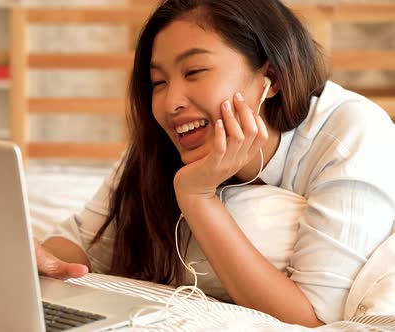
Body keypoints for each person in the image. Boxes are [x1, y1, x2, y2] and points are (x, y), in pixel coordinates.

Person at [34, 0, 395, 327]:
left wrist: (198, 198)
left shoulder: (351, 132)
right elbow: (80, 244)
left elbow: (313, 317)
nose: (171, 102)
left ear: (271, 78)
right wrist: (33, 256)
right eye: (158, 82)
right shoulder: (158, 145)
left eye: (194, 72)